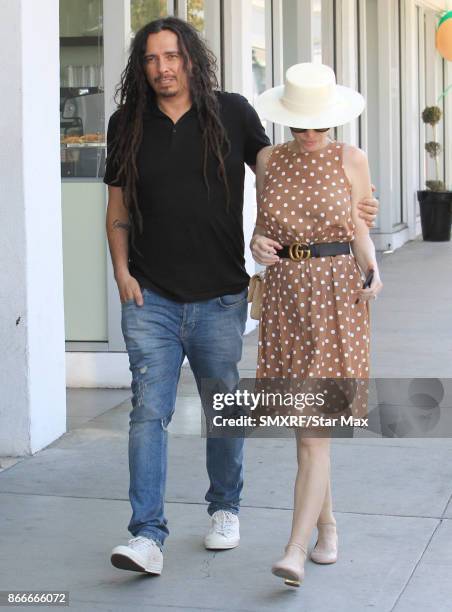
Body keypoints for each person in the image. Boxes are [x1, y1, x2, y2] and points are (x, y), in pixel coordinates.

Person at [104, 17, 379, 577]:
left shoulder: (233, 113)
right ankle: (146, 535)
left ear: (191, 59)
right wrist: (121, 273)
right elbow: (117, 210)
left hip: (224, 297)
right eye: (153, 58)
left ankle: (226, 508)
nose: (164, 67)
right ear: (142, 65)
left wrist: (356, 215)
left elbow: (286, 176)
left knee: (226, 413)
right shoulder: (125, 124)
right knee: (146, 413)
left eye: (173, 56)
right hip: (150, 296)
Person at [250, 62, 383, 587]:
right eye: (299, 125)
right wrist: (255, 247)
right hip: (285, 296)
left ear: (333, 120)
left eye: (318, 125)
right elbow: (262, 234)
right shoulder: (265, 159)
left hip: (335, 297)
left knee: (313, 432)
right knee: (307, 430)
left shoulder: (352, 159)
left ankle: (294, 549)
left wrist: (373, 271)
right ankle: (328, 527)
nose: (309, 135)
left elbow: (361, 232)